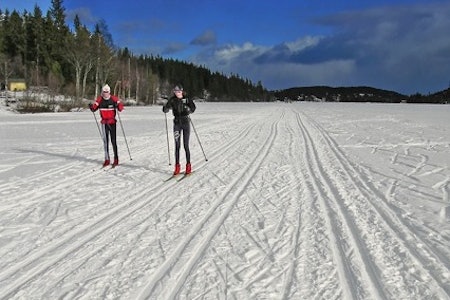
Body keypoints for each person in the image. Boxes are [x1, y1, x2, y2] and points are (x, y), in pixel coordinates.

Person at [163, 84, 196, 175]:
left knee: (186, 145)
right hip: (177, 124)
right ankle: (177, 167)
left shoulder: (187, 99)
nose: (177, 93)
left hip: (185, 123)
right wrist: (165, 108)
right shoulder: (172, 100)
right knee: (177, 146)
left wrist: (189, 109)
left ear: (182, 91)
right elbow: (166, 108)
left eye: (179, 91)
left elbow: (193, 108)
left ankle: (188, 166)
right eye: (175, 91)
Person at [89, 84, 124, 167]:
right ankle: (107, 159)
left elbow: (121, 108)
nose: (105, 94)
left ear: (109, 92)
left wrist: (118, 105)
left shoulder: (114, 99)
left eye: (107, 92)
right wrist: (91, 107)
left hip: (112, 122)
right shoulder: (99, 100)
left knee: (113, 141)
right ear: (102, 92)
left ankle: (116, 159)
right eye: (104, 92)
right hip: (104, 123)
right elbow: (94, 108)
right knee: (105, 142)